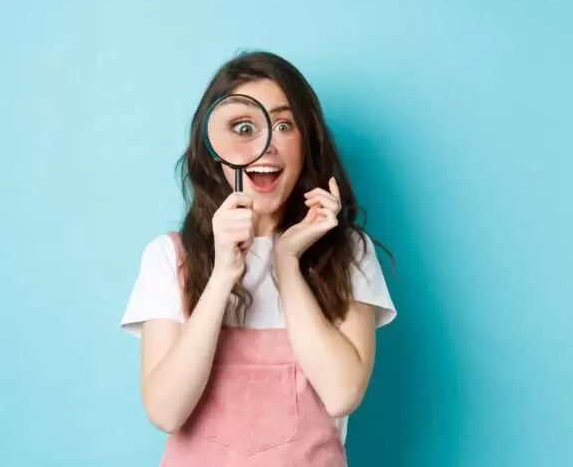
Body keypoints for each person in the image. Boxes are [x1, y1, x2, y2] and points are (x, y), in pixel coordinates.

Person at [120, 50, 397, 465]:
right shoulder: (168, 258)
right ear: (214, 149)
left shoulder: (349, 252)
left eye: (283, 125)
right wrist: (221, 277)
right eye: (244, 127)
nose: (264, 144)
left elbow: (342, 393)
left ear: (307, 143)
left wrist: (287, 262)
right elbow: (165, 410)